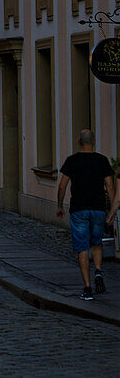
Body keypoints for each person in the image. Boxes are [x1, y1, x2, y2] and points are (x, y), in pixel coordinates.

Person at [57, 128, 114, 300]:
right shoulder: (102, 161)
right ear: (94, 142)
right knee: (97, 243)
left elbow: (62, 186)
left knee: (82, 247)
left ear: (79, 142)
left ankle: (87, 288)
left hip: (79, 209)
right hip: (98, 208)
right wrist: (111, 211)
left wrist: (59, 206)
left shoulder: (72, 161)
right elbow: (110, 186)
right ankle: (98, 271)